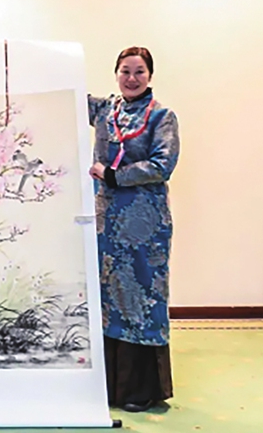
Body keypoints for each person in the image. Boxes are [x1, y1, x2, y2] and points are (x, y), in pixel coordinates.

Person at [88, 46, 180, 413]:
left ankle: (141, 388)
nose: (131, 78)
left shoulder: (162, 116)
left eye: (139, 72)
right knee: (106, 292)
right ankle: (108, 386)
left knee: (141, 293)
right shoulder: (103, 109)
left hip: (145, 222)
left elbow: (163, 164)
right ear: (115, 73)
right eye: (125, 71)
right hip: (105, 220)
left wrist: (113, 175)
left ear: (150, 76)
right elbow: (58, 95)